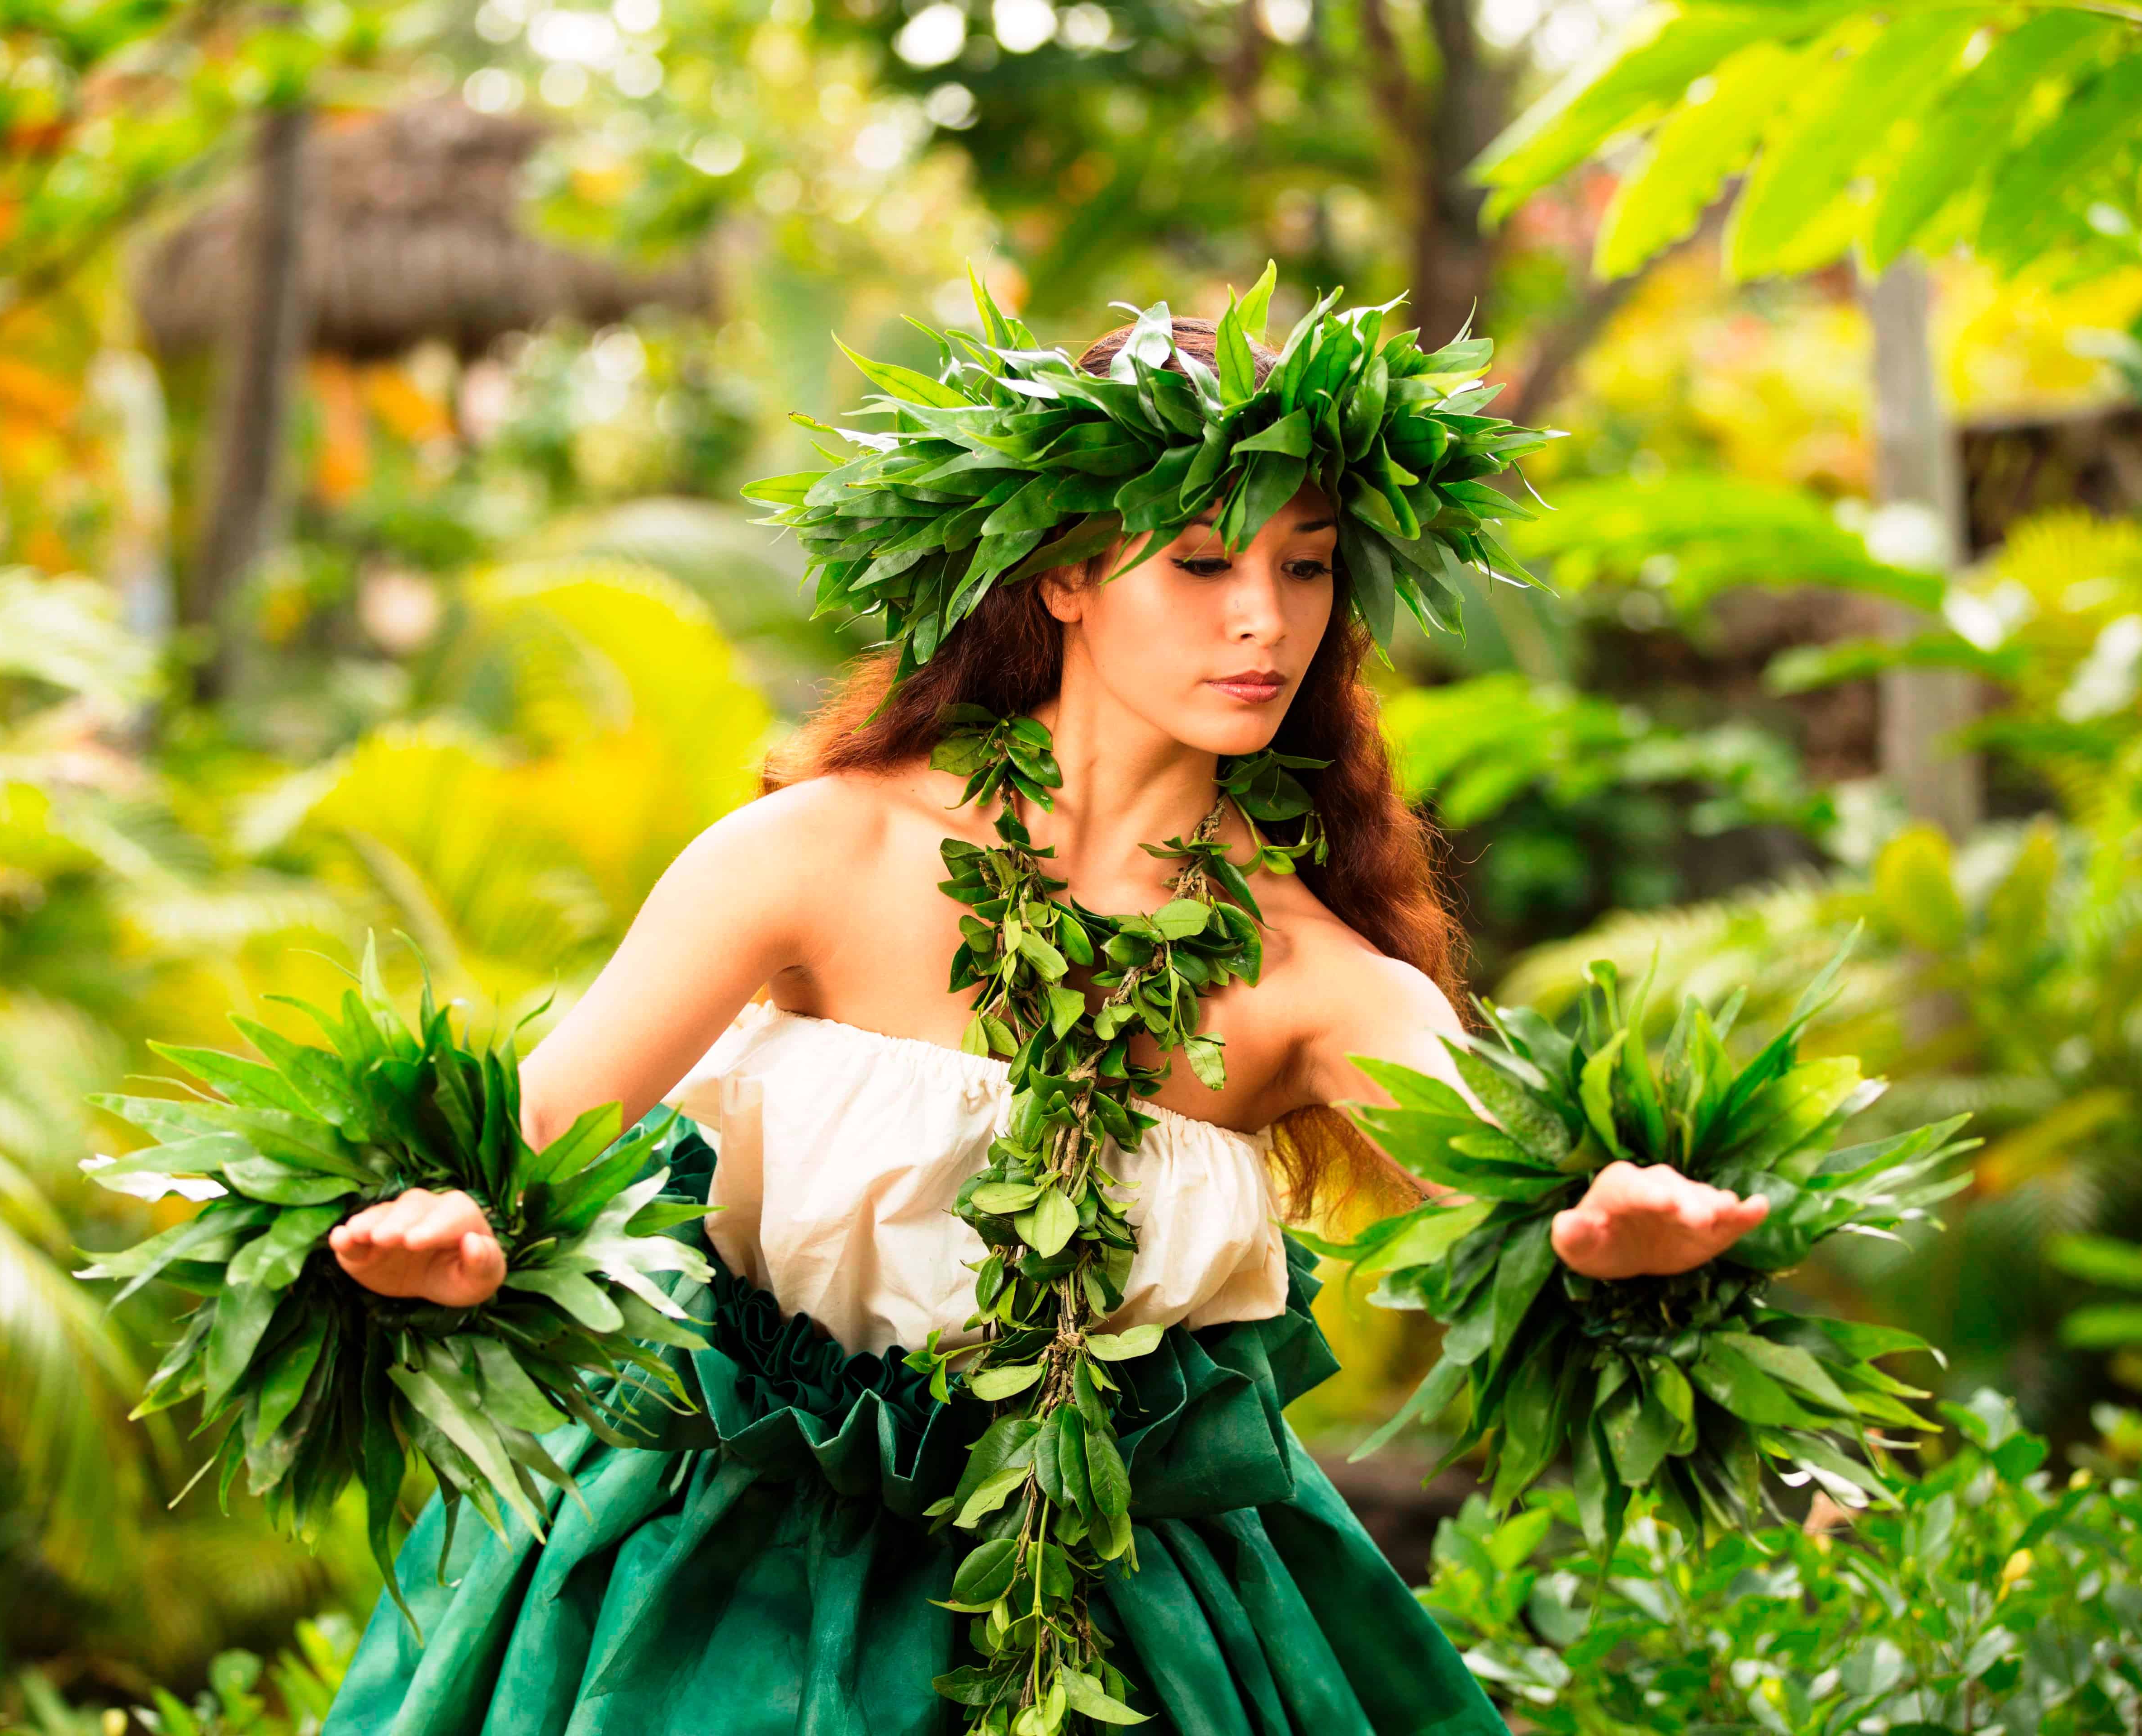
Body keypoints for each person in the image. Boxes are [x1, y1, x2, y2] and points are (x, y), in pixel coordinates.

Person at [313, 310, 1767, 1736]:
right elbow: (517, 1155)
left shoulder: (1315, 980)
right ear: (1067, 575)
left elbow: (1526, 1190)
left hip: (1134, 1627)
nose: (1266, 616)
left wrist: (1610, 1237)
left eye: (1306, 565)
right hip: (714, 1588)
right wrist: (446, 1243)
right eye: (1200, 562)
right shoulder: (817, 856)